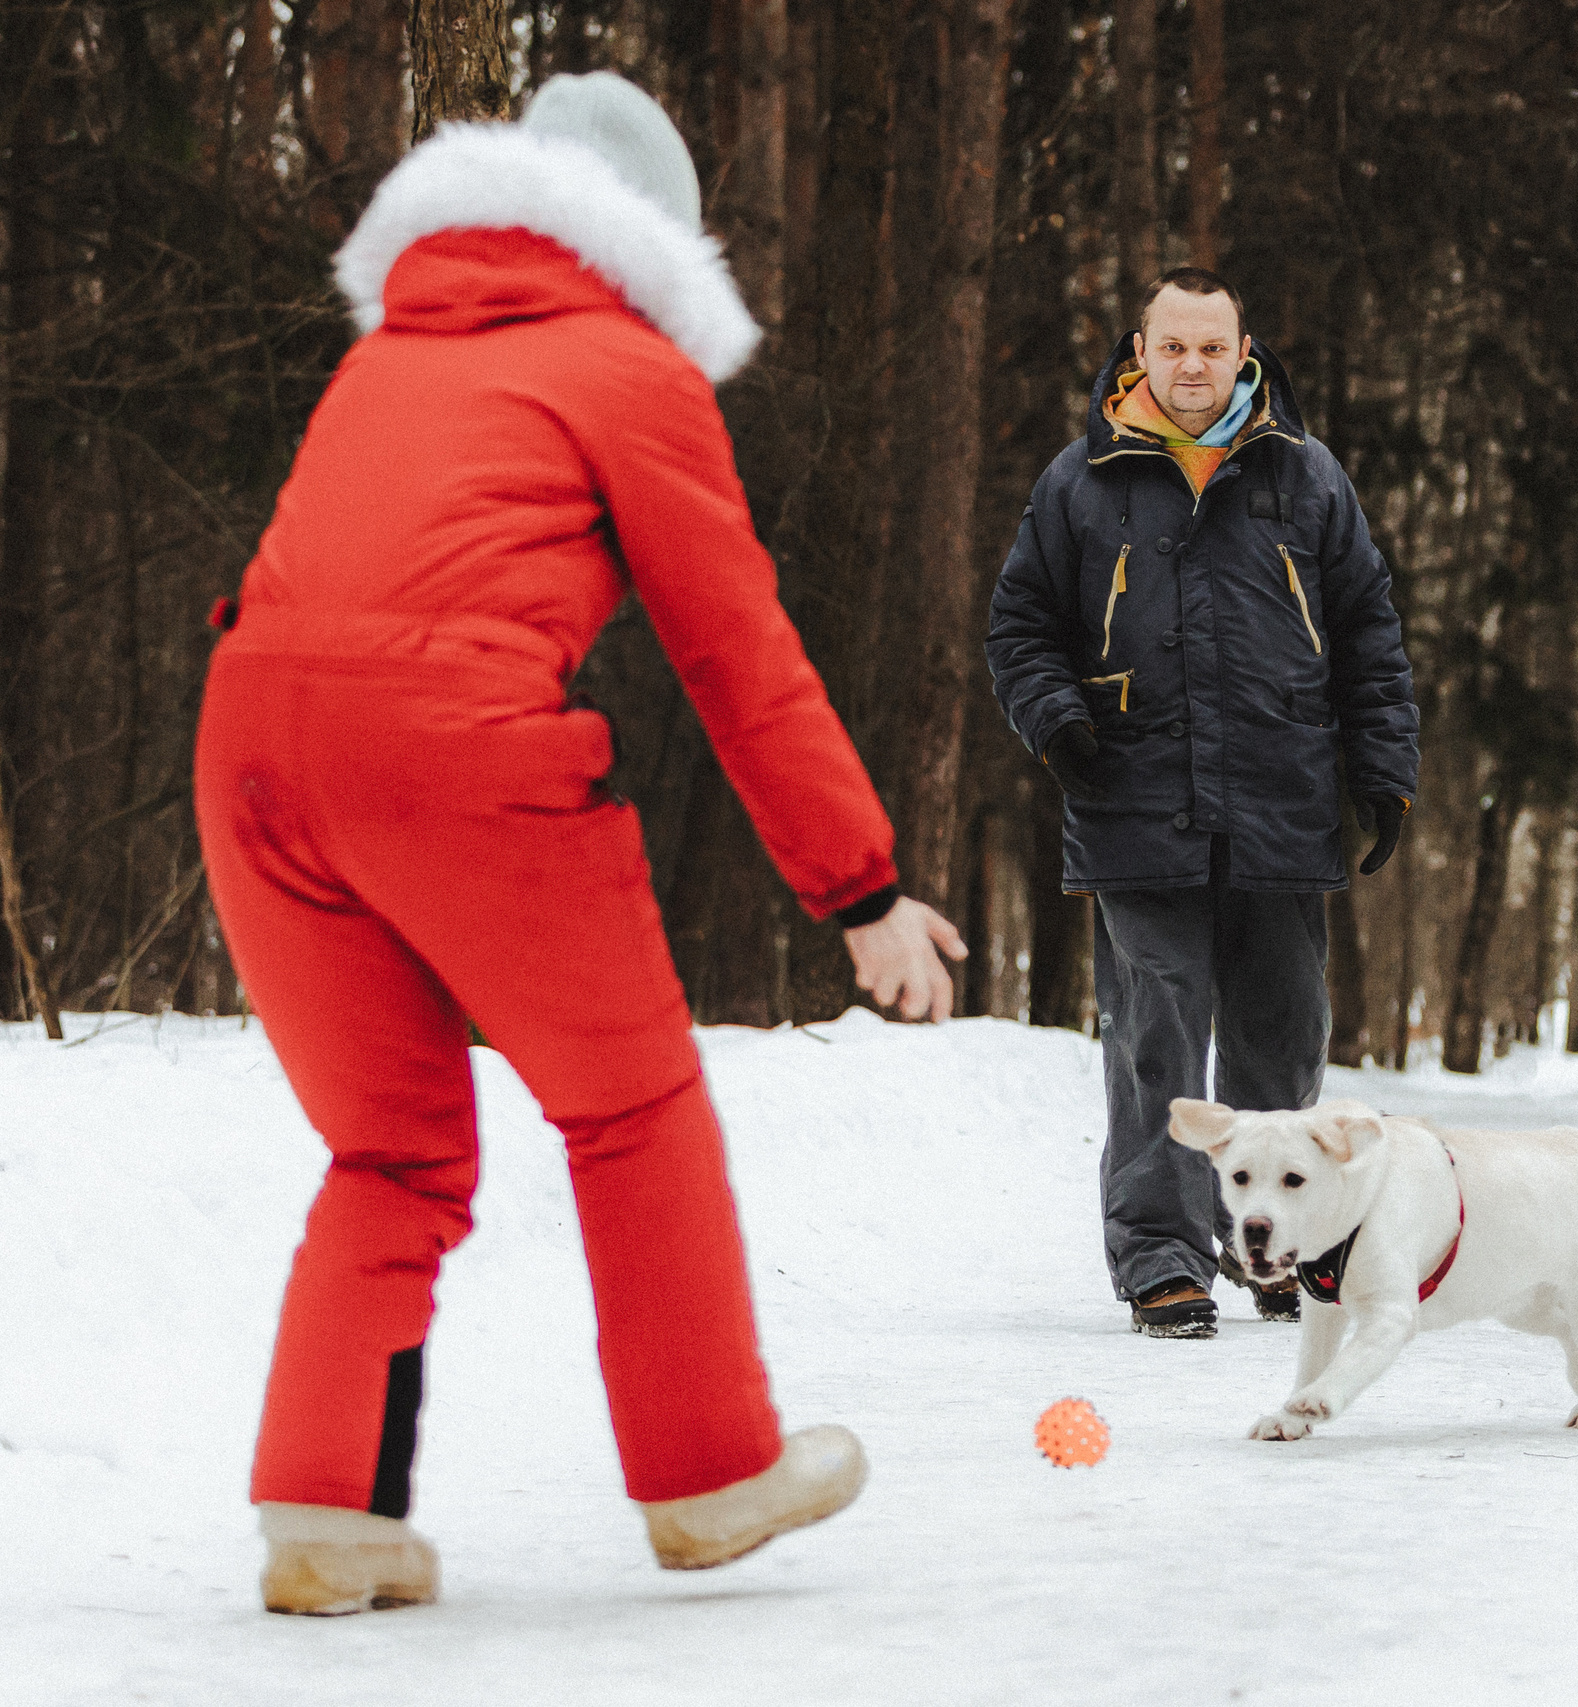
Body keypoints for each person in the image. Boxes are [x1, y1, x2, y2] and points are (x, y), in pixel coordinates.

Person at [195, 73, 964, 1615]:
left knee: (392, 1149)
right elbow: (735, 649)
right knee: (633, 1102)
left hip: (250, 747)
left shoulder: (388, 355)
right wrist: (861, 885)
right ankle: (710, 1469)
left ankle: (327, 1515)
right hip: (454, 744)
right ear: (658, 242)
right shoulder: (627, 366)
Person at [987, 269, 1419, 1339]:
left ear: (1243, 353)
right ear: (1141, 351)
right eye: (1172, 347)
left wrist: (1384, 769)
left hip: (1283, 802)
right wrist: (1057, 722)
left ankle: (1283, 1253)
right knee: (1157, 1039)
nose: (1191, 366)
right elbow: (1020, 625)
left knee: (1282, 1038)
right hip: (1131, 800)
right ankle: (1163, 1260)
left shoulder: (1307, 477)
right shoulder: (1080, 482)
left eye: (1210, 348)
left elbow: (1368, 632)